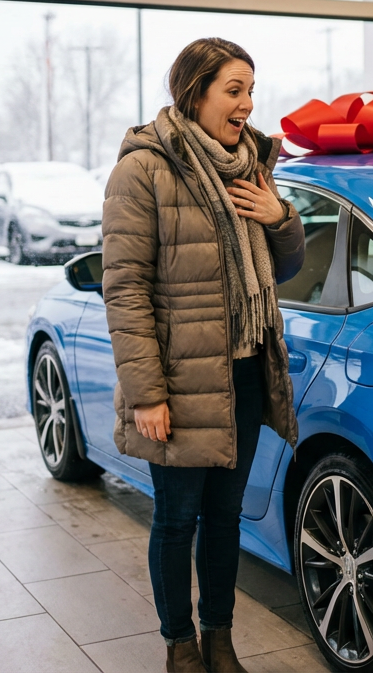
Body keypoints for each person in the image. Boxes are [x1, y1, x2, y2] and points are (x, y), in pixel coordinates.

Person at [101, 38, 305, 673]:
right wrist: (147, 395)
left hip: (243, 372)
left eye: (251, 89)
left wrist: (280, 216)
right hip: (179, 380)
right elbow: (125, 289)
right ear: (195, 93)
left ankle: (220, 640)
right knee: (177, 519)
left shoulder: (255, 168)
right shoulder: (144, 169)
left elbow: (288, 267)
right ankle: (180, 647)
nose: (248, 103)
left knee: (225, 521)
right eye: (234, 89)